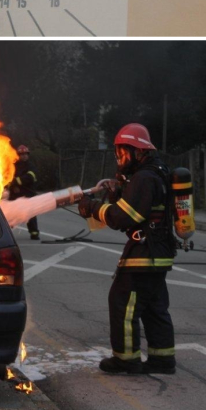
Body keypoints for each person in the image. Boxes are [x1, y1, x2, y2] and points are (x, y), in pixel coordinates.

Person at [79, 123, 175, 374]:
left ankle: (126, 360)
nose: (119, 158)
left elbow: (123, 217)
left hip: (144, 253)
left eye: (122, 152)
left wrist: (91, 207)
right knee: (154, 307)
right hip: (159, 252)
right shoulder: (157, 172)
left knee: (123, 303)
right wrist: (118, 193)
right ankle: (163, 359)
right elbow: (139, 209)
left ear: (137, 151)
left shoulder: (144, 178)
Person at [6, 144, 40, 240]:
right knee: (11, 213)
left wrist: (16, 182)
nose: (24, 156)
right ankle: (7, 233)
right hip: (15, 193)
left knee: (30, 213)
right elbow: (8, 178)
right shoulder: (13, 166)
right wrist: (13, 186)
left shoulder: (31, 166)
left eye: (25, 154)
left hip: (28, 193)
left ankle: (34, 233)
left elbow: (30, 177)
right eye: (21, 154)